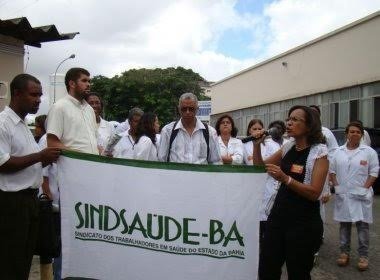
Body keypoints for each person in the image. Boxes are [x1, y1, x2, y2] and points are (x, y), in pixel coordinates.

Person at [253, 105, 329, 280]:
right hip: (278, 219)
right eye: (289, 119)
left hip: (303, 224)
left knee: (298, 273)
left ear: (309, 126)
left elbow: (314, 193)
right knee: (267, 269)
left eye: (295, 120)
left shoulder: (319, 152)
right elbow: (259, 168)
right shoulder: (288, 147)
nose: (289, 123)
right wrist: (257, 146)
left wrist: (285, 179)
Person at [0, 74, 60, 280]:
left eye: (40, 95)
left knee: (24, 260)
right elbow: (3, 163)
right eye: (34, 94)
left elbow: (30, 164)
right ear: (16, 93)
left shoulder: (24, 125)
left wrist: (48, 159)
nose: (38, 100)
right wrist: (39, 156)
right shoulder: (3, 124)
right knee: (10, 260)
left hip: (30, 202)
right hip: (11, 203)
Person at [330, 121, 379, 271]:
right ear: (347, 134)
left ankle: (363, 256)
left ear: (362, 135)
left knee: (362, 227)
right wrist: (336, 186)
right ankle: (344, 253)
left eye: (358, 132)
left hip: (361, 195)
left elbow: (374, 171)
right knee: (344, 225)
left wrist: (365, 188)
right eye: (352, 131)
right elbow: (332, 171)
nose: (355, 134)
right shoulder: (338, 151)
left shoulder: (369, 152)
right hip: (343, 194)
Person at [157, 92, 221, 164]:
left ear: (197, 109)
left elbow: (216, 162)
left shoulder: (210, 132)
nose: (187, 112)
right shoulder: (167, 131)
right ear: (179, 109)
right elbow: (161, 160)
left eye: (191, 109)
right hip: (175, 175)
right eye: (184, 109)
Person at [47, 67, 98, 154]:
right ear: (72, 84)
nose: (88, 84)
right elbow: (52, 143)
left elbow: (92, 142)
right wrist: (79, 157)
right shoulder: (59, 107)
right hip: (71, 165)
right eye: (84, 81)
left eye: (89, 81)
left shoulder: (89, 109)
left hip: (92, 165)